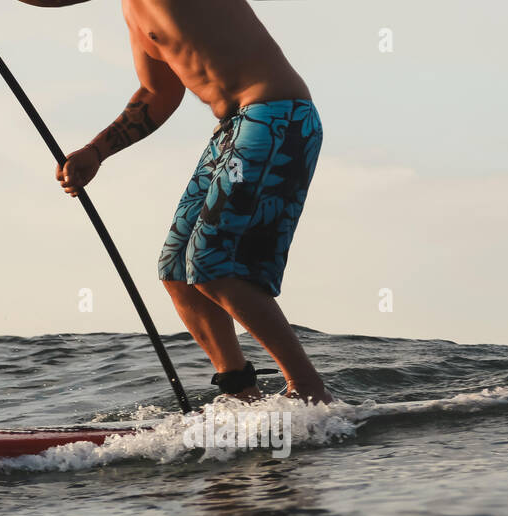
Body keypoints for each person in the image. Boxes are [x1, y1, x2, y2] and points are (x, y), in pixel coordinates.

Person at [19, 0, 332, 403]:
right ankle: (241, 394)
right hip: (233, 127)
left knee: (212, 264)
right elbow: (159, 91)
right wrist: (96, 151)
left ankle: (308, 391)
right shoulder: (134, 12)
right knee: (177, 272)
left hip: (278, 116)